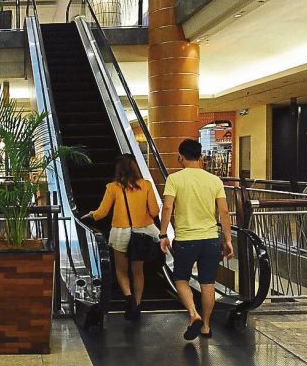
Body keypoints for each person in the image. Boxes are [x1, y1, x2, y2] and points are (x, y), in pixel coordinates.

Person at [158, 139, 234, 341]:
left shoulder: (174, 179)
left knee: (180, 278)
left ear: (180, 156)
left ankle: (193, 314)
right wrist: (228, 239)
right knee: (207, 282)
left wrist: (163, 234)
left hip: (186, 239)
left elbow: (167, 207)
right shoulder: (214, 180)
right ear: (201, 157)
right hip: (210, 239)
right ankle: (207, 327)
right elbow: (224, 211)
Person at [81, 154, 159, 321]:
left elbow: (102, 213)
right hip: (142, 233)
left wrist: (91, 215)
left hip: (121, 233)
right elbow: (154, 211)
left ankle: (128, 297)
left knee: (121, 271)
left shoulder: (113, 187)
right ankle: (137, 304)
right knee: (138, 271)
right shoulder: (146, 185)